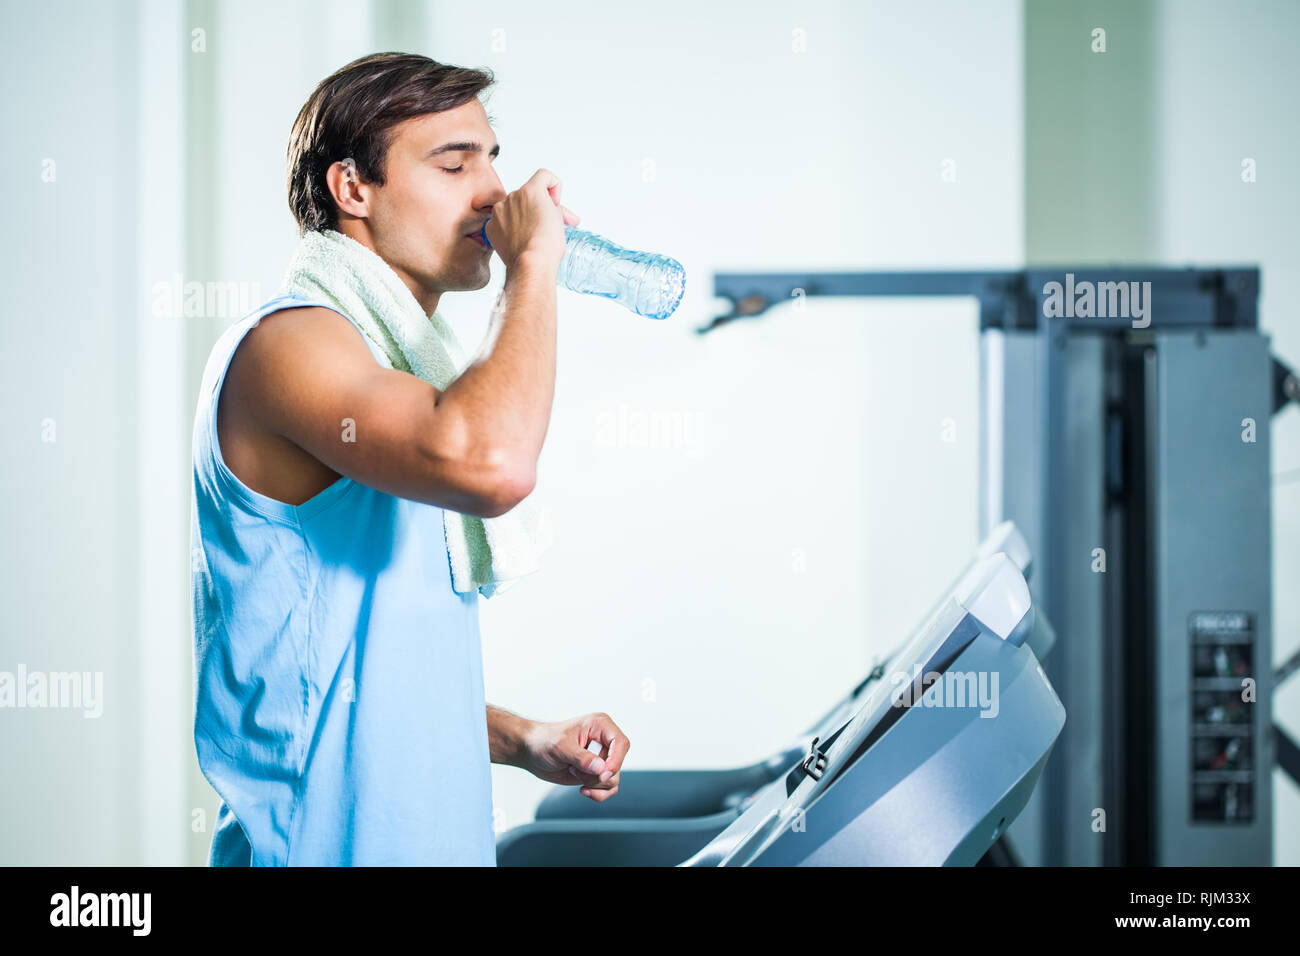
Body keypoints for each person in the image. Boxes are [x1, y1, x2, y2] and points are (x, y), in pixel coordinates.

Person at [190, 51, 629, 866]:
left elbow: (359, 677)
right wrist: (532, 263)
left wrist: (520, 737)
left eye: (493, 159)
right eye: (454, 163)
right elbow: (494, 464)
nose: (494, 191)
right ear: (352, 189)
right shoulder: (294, 345)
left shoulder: (400, 374)